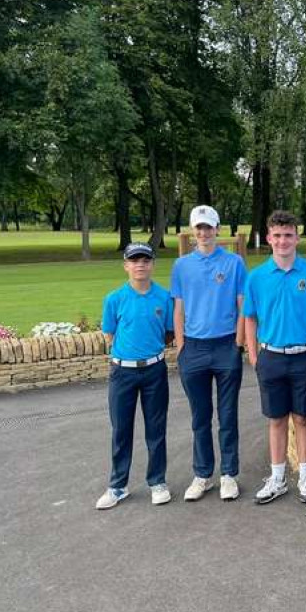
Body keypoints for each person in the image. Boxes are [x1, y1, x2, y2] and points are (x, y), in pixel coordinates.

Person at [243, 210, 306, 505]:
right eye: (277, 236)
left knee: (303, 418)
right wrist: (253, 355)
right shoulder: (256, 277)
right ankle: (278, 478)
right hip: (271, 357)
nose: (282, 241)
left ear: (297, 238)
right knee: (276, 419)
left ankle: (305, 477)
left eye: (288, 235)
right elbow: (250, 319)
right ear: (268, 238)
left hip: (305, 356)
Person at [171, 205, 247, 503]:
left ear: (217, 230)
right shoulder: (182, 266)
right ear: (192, 231)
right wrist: (180, 346)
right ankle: (203, 474)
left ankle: (228, 474)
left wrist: (238, 342)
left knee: (227, 415)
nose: (203, 233)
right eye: (198, 228)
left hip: (226, 345)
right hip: (194, 348)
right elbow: (178, 307)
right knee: (200, 417)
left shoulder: (234, 263)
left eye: (208, 227)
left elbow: (243, 305)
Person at [95, 242, 174, 510]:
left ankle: (157, 482)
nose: (140, 265)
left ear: (152, 264)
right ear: (126, 265)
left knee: (156, 429)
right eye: (135, 260)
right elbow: (110, 334)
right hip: (122, 372)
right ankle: (118, 486)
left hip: (154, 370)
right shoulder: (114, 298)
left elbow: (168, 333)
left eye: (145, 260)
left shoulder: (164, 298)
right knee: (121, 430)